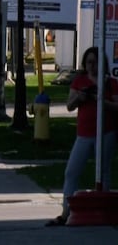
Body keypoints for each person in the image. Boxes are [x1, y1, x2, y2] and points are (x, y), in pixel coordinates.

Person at [46, 47, 118, 226]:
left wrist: (100, 99)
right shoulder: (79, 81)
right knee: (71, 171)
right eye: (89, 62)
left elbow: (116, 107)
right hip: (84, 134)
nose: (92, 66)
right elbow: (69, 106)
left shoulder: (111, 83)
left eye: (95, 62)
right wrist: (81, 97)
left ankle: (104, 210)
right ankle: (66, 212)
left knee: (103, 172)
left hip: (106, 133)